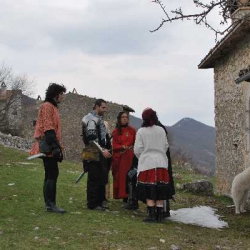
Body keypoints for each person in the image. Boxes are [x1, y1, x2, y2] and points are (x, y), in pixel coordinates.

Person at [30, 83, 66, 213]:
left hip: (50, 144)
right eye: (61, 94)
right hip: (48, 144)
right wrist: (55, 147)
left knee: (50, 174)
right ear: (55, 94)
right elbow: (48, 127)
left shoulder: (52, 107)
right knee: (52, 174)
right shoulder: (47, 106)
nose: (63, 96)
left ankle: (49, 204)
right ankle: (51, 204)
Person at [134, 108, 171, 223]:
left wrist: (142, 158)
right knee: (160, 189)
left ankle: (151, 215)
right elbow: (165, 146)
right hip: (161, 163)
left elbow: (137, 149)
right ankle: (159, 215)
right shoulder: (161, 130)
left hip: (147, 164)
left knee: (148, 189)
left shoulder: (141, 131)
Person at [82, 99, 112, 210]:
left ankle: (99, 201)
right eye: (103, 107)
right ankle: (93, 204)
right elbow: (91, 138)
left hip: (101, 153)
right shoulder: (90, 118)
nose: (105, 110)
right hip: (93, 153)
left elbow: (103, 137)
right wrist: (102, 150)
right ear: (96, 107)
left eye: (106, 107)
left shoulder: (99, 119)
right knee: (94, 178)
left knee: (101, 177)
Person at [111, 111, 136, 205]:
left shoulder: (132, 131)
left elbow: (136, 142)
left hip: (130, 157)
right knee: (122, 177)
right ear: (119, 119)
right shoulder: (115, 132)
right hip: (120, 158)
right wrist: (122, 147)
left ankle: (132, 197)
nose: (125, 118)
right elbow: (114, 145)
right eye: (123, 117)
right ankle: (124, 197)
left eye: (126, 117)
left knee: (131, 176)